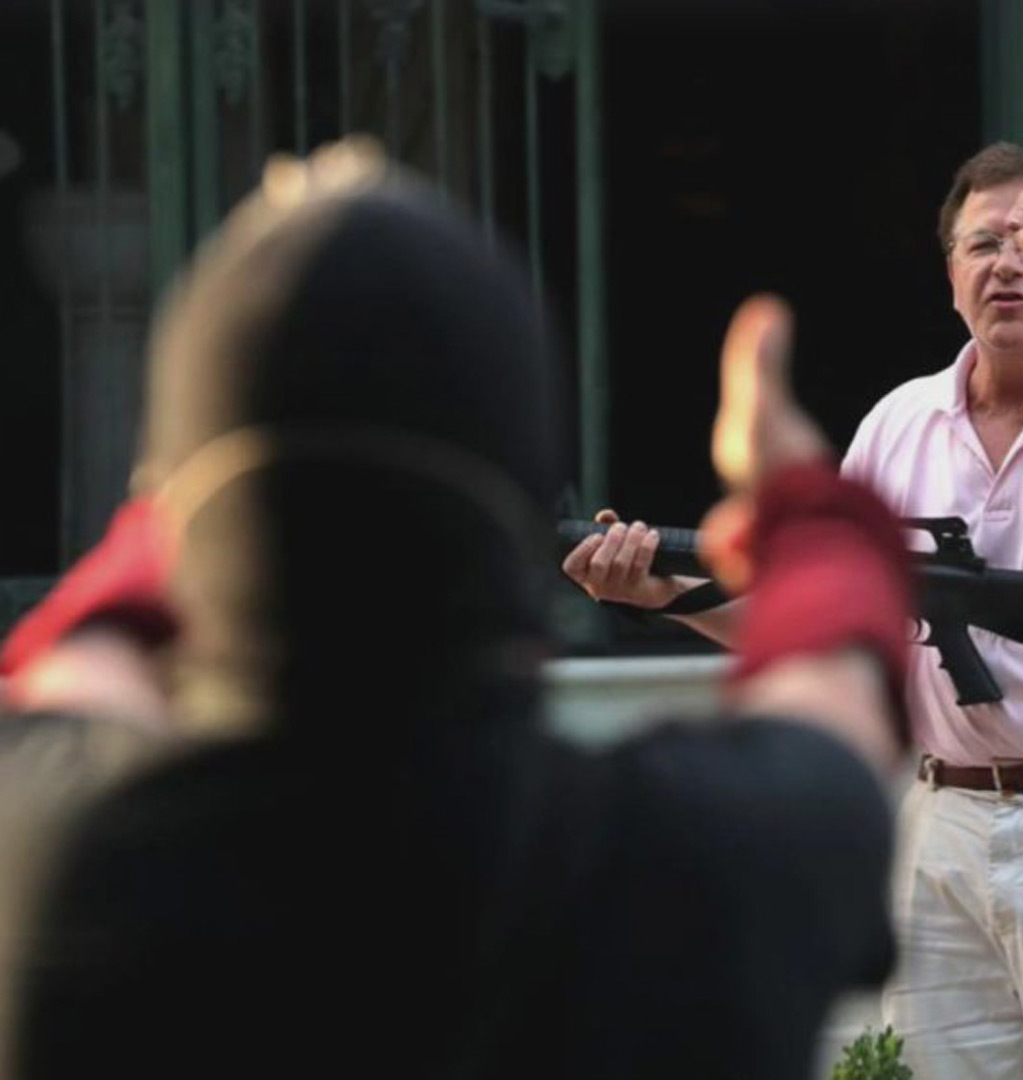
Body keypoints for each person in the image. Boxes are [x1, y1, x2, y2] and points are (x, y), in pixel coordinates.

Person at [1, 141, 915, 1080]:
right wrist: (806, 506)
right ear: (522, 499)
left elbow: (84, 645)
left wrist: (194, 478)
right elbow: (839, 682)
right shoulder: (686, 864)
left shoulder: (51, 851)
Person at [566, 142, 1023, 1080]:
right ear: (951, 277)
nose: (1009, 262)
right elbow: (829, 631)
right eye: (983, 244)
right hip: (942, 824)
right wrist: (662, 596)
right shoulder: (899, 421)